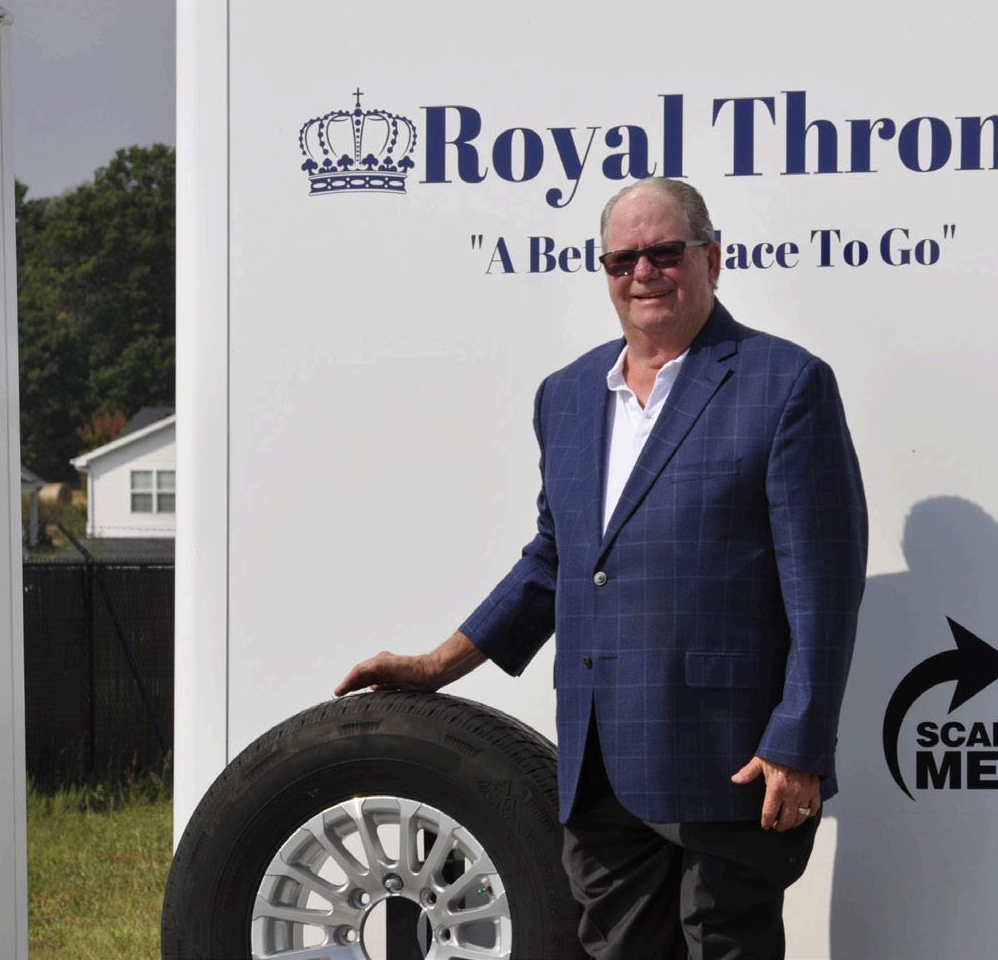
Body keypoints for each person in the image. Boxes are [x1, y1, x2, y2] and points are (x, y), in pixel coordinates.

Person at [335, 176, 868, 959]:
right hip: (600, 762)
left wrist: (800, 741)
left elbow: (823, 586)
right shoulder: (569, 396)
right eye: (623, 260)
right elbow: (556, 561)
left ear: (712, 259)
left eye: (665, 253)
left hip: (733, 760)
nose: (643, 273)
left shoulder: (786, 384)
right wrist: (437, 666)